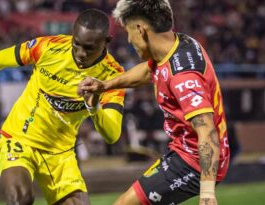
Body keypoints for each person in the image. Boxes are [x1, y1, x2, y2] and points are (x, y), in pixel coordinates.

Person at [0, 9, 125, 205]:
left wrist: (94, 107)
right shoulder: (49, 47)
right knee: (20, 199)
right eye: (77, 44)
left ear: (107, 41)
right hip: (20, 139)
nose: (81, 54)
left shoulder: (113, 76)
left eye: (89, 48)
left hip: (60, 153)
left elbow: (112, 135)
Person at [78, 1, 230, 205]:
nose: (129, 41)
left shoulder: (184, 76)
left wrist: (208, 193)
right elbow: (147, 71)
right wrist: (104, 85)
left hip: (194, 162)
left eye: (128, 32)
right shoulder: (178, 45)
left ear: (140, 29)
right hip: (181, 151)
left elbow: (207, 130)